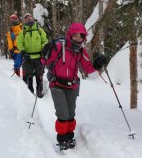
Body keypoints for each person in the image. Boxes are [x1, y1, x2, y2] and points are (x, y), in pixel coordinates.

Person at [41, 22, 101, 151]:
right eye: (75, 36)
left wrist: (97, 65)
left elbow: (88, 68)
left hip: (72, 85)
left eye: (81, 36)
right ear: (70, 35)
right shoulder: (58, 46)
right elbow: (45, 61)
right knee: (62, 113)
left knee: (71, 113)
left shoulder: (80, 51)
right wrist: (45, 52)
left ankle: (69, 136)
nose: (78, 39)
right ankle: (62, 139)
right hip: (56, 84)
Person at [17, 13, 48, 98]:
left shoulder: (39, 30)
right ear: (24, 21)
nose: (28, 18)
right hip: (27, 57)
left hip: (38, 56)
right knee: (28, 74)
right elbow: (19, 43)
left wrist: (44, 49)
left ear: (33, 18)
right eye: (26, 18)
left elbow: (44, 40)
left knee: (39, 74)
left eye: (30, 17)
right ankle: (30, 91)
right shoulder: (22, 32)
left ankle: (39, 90)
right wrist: (22, 51)